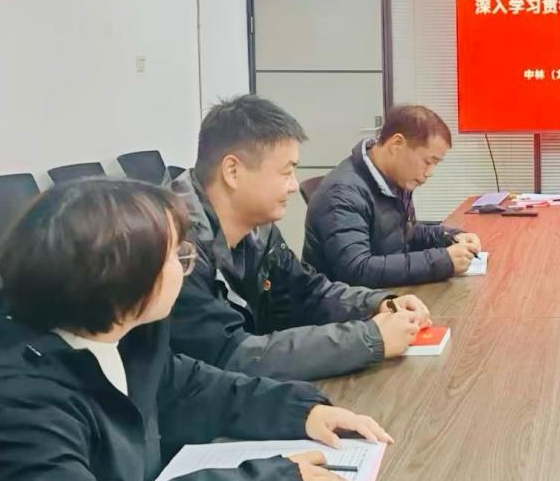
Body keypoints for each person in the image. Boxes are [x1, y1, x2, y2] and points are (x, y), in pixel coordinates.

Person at [0, 179, 393, 481]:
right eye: (175, 256)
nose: (185, 269)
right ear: (120, 278)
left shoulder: (123, 335)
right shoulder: (5, 396)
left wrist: (301, 411)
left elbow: (189, 387)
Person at [170, 95, 431, 382]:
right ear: (233, 171)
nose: (294, 185)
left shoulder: (258, 230)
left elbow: (306, 292)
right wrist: (369, 338)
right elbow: (230, 356)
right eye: (286, 172)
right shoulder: (175, 249)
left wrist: (377, 303)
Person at [303, 104, 482, 288]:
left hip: (386, 294)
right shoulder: (342, 193)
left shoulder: (393, 179)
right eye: (428, 162)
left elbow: (404, 234)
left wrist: (449, 237)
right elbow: (357, 270)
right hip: (349, 303)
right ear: (397, 144)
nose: (430, 173)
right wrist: (443, 261)